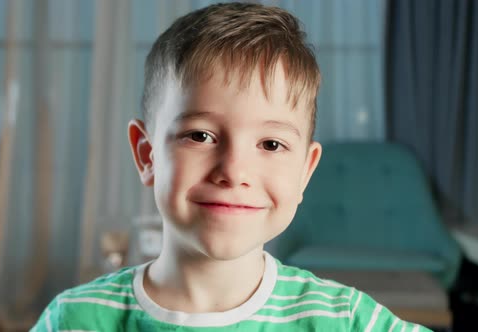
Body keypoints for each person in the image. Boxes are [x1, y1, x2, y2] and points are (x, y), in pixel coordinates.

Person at [32, 3, 431, 331]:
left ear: (305, 171)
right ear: (147, 154)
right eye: (200, 136)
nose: (234, 171)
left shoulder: (346, 320)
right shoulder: (75, 319)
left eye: (271, 144)